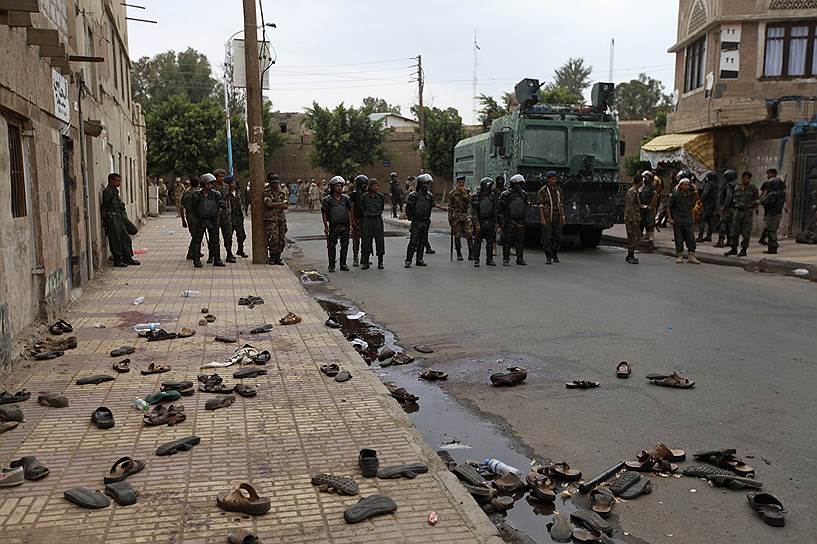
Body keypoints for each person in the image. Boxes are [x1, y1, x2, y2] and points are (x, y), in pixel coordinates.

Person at [101, 172, 139, 267]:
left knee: (125, 237)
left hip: (119, 217)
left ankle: (128, 257)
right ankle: (117, 259)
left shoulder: (115, 191)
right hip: (112, 218)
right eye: (117, 181)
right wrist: (105, 220)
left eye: (120, 181)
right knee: (115, 239)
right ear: (111, 180)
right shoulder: (108, 192)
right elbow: (105, 207)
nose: (119, 183)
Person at [190, 173, 225, 268]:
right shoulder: (197, 195)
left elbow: (220, 205)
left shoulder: (216, 194)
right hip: (200, 220)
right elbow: (193, 208)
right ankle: (196, 260)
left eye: (211, 183)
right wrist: (196, 217)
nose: (210, 185)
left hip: (213, 220)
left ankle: (217, 259)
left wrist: (222, 206)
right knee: (197, 240)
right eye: (208, 183)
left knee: (215, 240)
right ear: (203, 184)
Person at [724, 171, 759, 257]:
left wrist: (754, 208)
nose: (747, 180)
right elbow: (733, 198)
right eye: (746, 178)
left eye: (749, 178)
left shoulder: (753, 188)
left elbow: (757, 200)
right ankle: (733, 248)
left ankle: (744, 249)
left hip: (747, 212)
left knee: (746, 232)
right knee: (734, 231)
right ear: (742, 178)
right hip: (737, 211)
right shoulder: (737, 187)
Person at [667, 177, 701, 264]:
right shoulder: (675, 195)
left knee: (690, 238)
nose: (687, 187)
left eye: (688, 185)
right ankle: (680, 255)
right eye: (685, 185)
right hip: (678, 219)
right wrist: (670, 218)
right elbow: (669, 207)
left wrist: (695, 189)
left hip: (688, 219)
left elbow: (697, 199)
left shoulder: (690, 194)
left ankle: (691, 256)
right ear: (681, 186)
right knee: (679, 238)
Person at [322, 176, 353, 272]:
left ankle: (343, 264)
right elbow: (324, 213)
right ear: (333, 187)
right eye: (337, 186)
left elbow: (349, 212)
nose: (339, 188)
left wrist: (351, 225)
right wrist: (326, 227)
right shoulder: (328, 200)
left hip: (345, 225)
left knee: (345, 245)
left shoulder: (346, 199)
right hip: (333, 226)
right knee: (331, 246)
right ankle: (331, 265)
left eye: (341, 186)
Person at [405, 173, 435, 268]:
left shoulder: (429, 196)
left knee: (422, 241)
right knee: (413, 241)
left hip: (425, 221)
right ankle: (408, 259)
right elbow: (408, 208)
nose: (426, 185)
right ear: (419, 184)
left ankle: (419, 259)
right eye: (424, 183)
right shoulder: (413, 196)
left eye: (427, 183)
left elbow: (430, 206)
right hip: (416, 221)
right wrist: (411, 218)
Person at [499, 174, 529, 266]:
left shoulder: (524, 195)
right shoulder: (506, 195)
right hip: (509, 221)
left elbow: (525, 207)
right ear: (512, 184)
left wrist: (525, 221)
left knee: (520, 241)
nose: (518, 186)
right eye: (517, 184)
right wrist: (502, 222)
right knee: (507, 241)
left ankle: (520, 258)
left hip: (520, 221)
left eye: (520, 184)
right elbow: (500, 210)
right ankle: (506, 259)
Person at [538, 171, 565, 265]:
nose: (554, 181)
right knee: (547, 237)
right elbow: (540, 205)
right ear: (548, 179)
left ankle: (555, 253)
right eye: (552, 179)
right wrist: (542, 218)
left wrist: (562, 216)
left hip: (557, 216)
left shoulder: (558, 190)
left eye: (555, 179)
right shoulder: (543, 190)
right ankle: (548, 256)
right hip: (547, 217)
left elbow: (561, 204)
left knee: (558, 237)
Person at [471, 177, 498, 267]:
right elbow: (474, 212)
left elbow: (494, 210)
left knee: (490, 242)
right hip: (480, 221)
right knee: (477, 242)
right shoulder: (476, 196)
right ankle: (476, 260)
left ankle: (489, 259)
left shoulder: (492, 196)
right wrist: (477, 223)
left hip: (490, 221)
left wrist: (496, 223)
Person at [360, 178, 386, 270]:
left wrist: (376, 213)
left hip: (377, 219)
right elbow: (362, 209)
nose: (376, 187)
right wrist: (367, 214)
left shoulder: (381, 197)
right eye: (374, 186)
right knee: (366, 240)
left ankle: (380, 261)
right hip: (368, 220)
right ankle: (366, 261)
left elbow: (382, 208)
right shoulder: (364, 197)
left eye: (377, 186)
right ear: (370, 187)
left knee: (380, 240)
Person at [759, 168, 787, 254]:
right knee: (772, 229)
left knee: (771, 231)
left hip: (771, 214)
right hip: (778, 213)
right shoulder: (782, 193)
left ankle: (772, 248)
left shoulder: (772, 195)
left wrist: (765, 194)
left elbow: (763, 201)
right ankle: (769, 245)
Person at [447, 175, 473, 261]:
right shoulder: (452, 194)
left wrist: (463, 193)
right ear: (457, 183)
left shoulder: (467, 191)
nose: (461, 184)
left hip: (465, 215)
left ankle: (471, 253)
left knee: (469, 235)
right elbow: (450, 207)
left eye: (463, 182)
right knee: (457, 236)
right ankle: (459, 253)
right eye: (460, 183)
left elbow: (469, 201)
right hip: (456, 216)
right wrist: (450, 218)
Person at [264, 174, 288, 265]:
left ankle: (278, 257)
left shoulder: (282, 192)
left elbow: (285, 205)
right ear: (270, 183)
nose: (276, 185)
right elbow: (268, 204)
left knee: (281, 238)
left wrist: (275, 204)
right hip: (271, 219)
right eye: (274, 183)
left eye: (277, 183)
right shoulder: (267, 192)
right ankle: (272, 256)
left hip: (281, 219)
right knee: (273, 238)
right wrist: (280, 204)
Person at [213, 169, 236, 263]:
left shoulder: (227, 186)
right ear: (216, 177)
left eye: (223, 176)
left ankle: (229, 253)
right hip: (215, 214)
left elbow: (229, 199)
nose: (222, 178)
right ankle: (213, 255)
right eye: (220, 176)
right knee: (214, 236)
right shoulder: (212, 187)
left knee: (228, 235)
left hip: (226, 214)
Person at [225, 175, 248, 258]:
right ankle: (229, 253)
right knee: (228, 237)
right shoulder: (226, 194)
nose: (232, 185)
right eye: (230, 183)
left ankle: (240, 250)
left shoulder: (237, 191)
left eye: (233, 183)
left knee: (242, 235)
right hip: (230, 218)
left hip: (238, 218)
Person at [350, 174, 369, 267]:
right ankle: (355, 257)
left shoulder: (368, 194)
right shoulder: (354, 194)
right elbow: (352, 208)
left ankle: (364, 258)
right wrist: (352, 220)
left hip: (366, 219)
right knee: (356, 240)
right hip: (357, 219)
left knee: (366, 240)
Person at [623, 173, 643, 264]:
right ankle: (630, 255)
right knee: (633, 237)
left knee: (637, 236)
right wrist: (633, 219)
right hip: (632, 218)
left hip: (635, 217)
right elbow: (629, 206)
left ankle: (630, 255)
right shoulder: (631, 192)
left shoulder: (636, 191)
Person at [715, 169, 738, 247]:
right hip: (733, 208)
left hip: (727, 208)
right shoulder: (736, 185)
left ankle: (721, 240)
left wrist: (724, 206)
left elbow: (729, 196)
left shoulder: (729, 185)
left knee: (723, 224)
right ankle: (730, 241)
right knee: (730, 225)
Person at [181, 177, 201, 260]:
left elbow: (181, 207)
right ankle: (192, 253)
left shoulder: (186, 192)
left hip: (189, 216)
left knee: (195, 235)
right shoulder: (197, 193)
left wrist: (183, 220)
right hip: (196, 216)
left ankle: (194, 252)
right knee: (196, 236)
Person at [696, 171, 719, 242]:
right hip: (713, 205)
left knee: (702, 220)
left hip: (707, 205)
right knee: (710, 221)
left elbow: (705, 193)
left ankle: (700, 236)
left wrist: (700, 200)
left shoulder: (709, 184)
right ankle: (709, 236)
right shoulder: (716, 185)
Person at [639, 171, 659, 241]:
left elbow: (655, 195)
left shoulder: (652, 186)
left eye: (646, 178)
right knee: (645, 221)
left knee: (650, 221)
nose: (644, 179)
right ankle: (647, 234)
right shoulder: (645, 186)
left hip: (650, 206)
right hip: (644, 206)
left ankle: (651, 235)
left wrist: (651, 205)